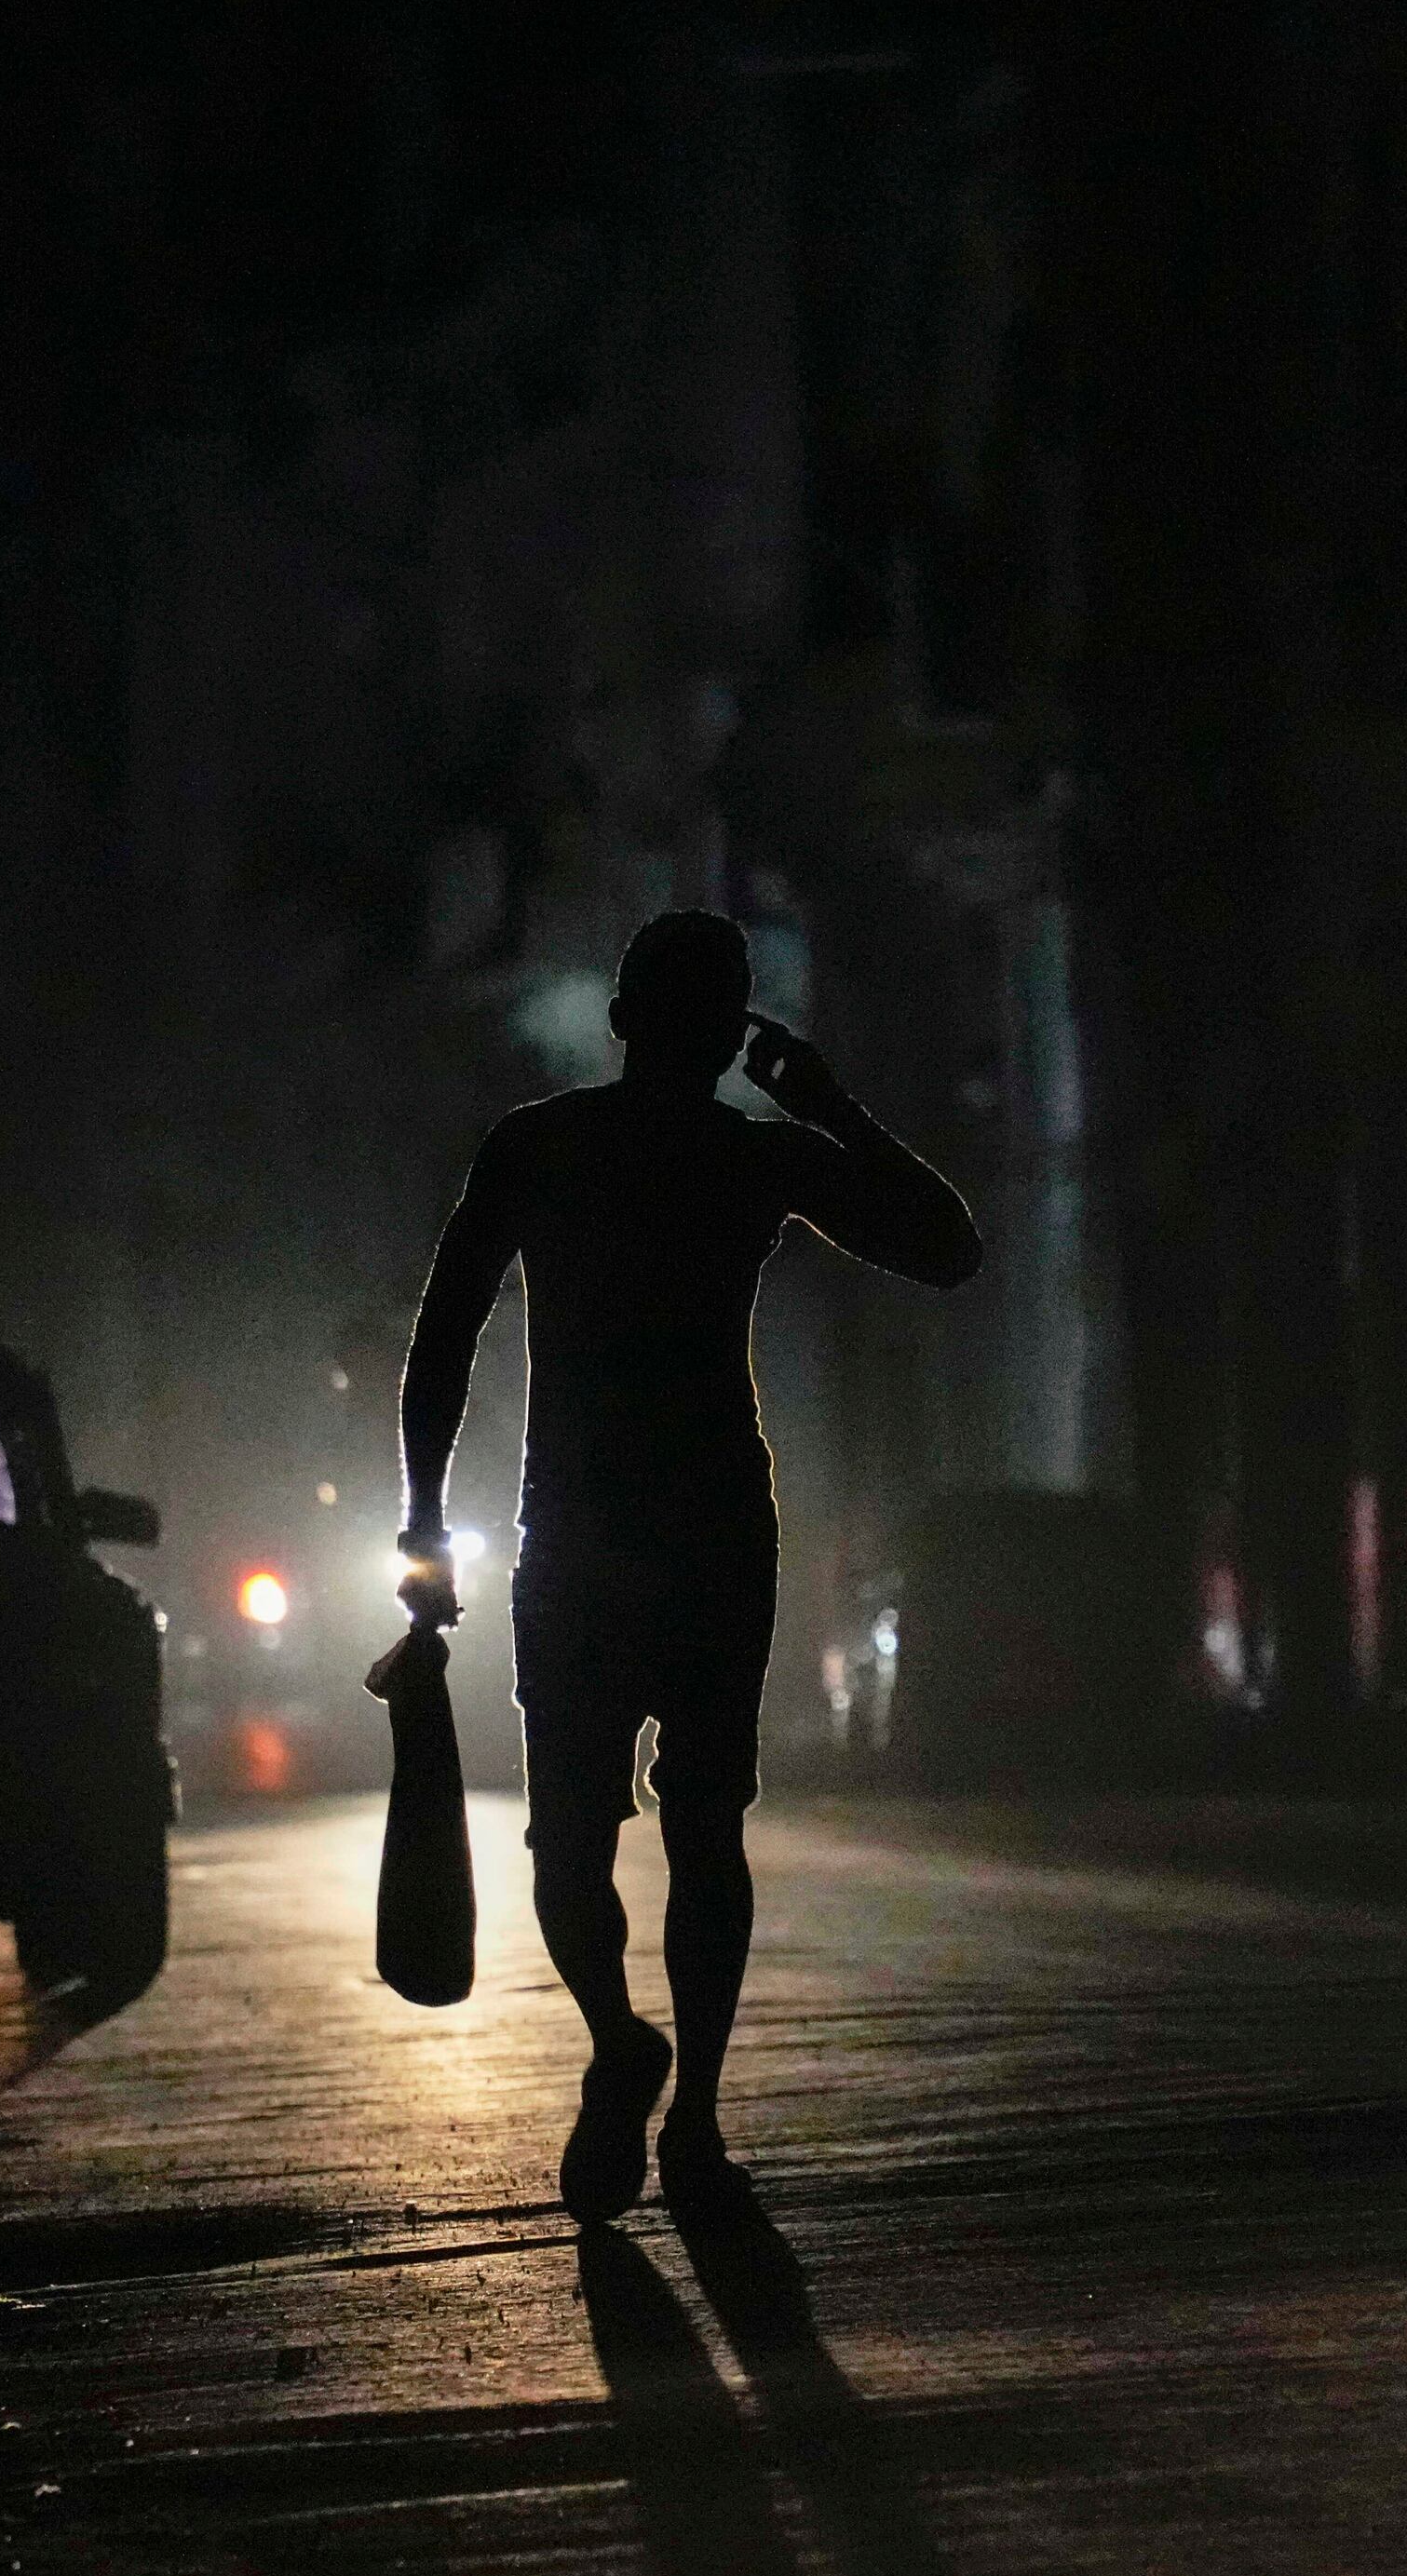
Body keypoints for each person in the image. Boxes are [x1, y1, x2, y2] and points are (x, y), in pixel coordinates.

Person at [398, 909, 981, 2222]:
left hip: (593, 1534)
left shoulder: (543, 1148)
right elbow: (948, 1246)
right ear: (727, 1036)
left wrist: (425, 1520)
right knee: (702, 1830)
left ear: (621, 1022)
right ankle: (690, 2113)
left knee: (572, 1841)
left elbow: (442, 1343)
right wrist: (836, 1108)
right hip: (711, 1530)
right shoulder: (745, 1159)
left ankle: (629, 2050)